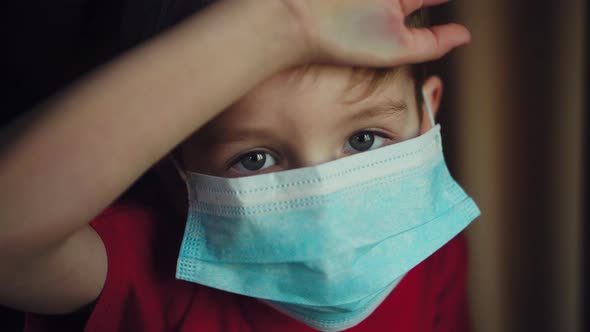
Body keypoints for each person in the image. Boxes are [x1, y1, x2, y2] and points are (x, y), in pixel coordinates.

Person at [0, 0, 476, 331]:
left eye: (364, 139)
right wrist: (283, 25)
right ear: (177, 168)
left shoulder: (427, 250)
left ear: (427, 114)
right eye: (255, 159)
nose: (321, 206)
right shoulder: (151, 271)